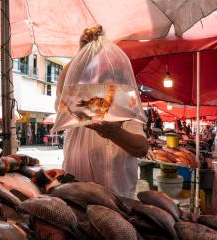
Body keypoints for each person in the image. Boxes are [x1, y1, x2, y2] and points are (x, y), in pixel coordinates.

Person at [55, 26, 148, 198]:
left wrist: (115, 133)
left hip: (119, 201)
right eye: (103, 81)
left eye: (115, 82)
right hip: (77, 197)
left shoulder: (126, 104)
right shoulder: (81, 104)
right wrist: (82, 53)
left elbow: (141, 148)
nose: (108, 88)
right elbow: (64, 85)